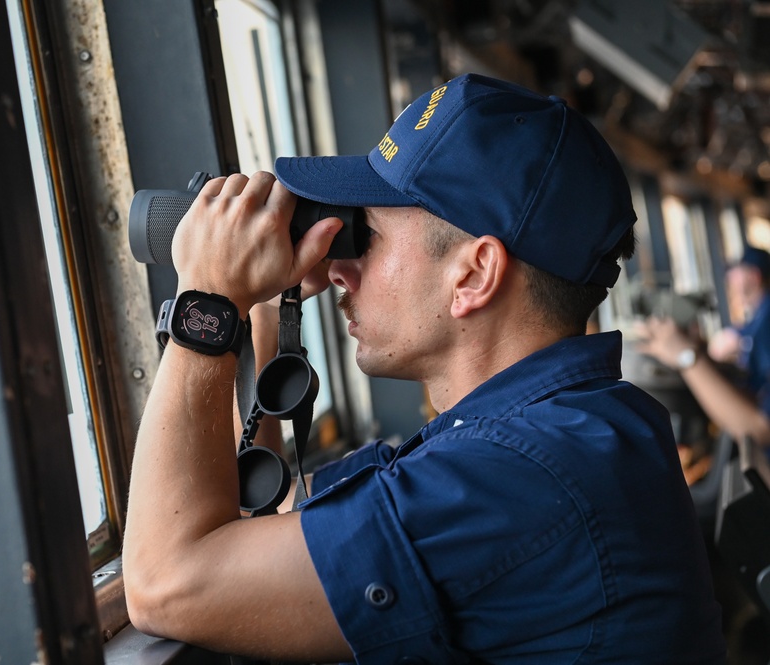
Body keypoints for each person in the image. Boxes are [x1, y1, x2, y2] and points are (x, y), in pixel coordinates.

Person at [123, 73, 726, 663]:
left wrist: (209, 299)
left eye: (369, 235)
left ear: (472, 276)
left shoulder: (515, 479)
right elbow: (272, 531)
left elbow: (168, 584)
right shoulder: (562, 431)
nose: (338, 269)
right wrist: (256, 307)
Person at [637, 246, 770, 448]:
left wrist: (687, 357)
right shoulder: (759, 318)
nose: (730, 281)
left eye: (736, 274)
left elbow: (760, 430)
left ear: (754, 276)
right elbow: (756, 393)